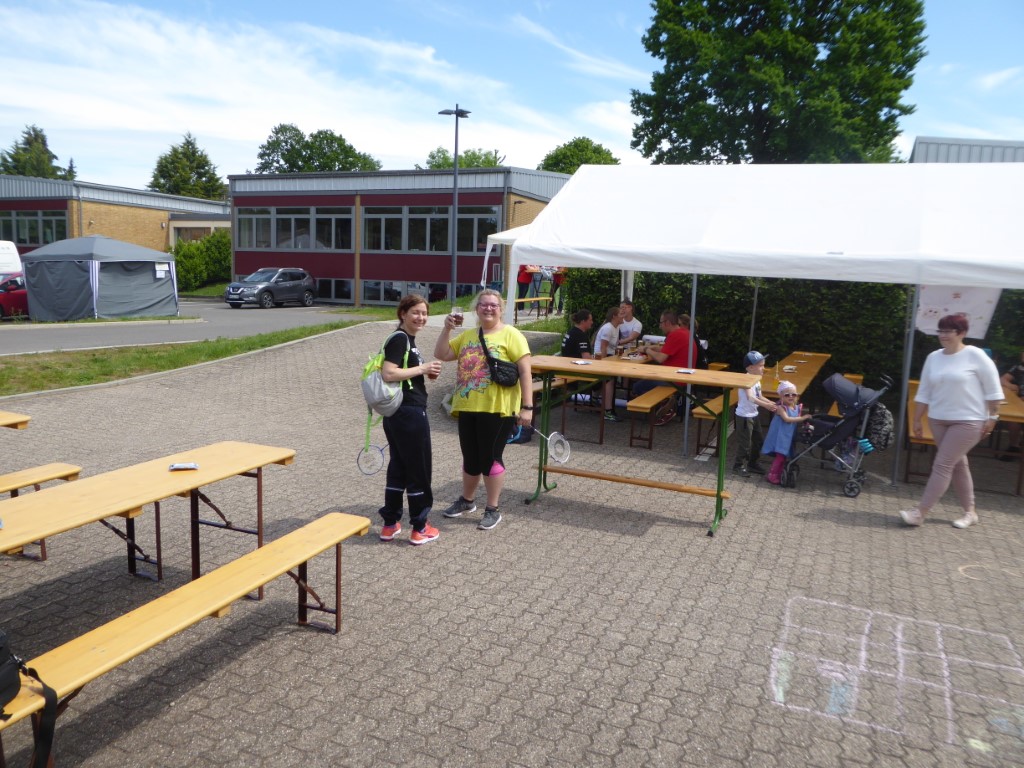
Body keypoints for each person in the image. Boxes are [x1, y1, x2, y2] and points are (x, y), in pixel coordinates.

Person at [434, 288, 533, 531]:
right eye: (483, 304)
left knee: (490, 458)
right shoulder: (468, 335)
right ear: (476, 309)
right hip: (468, 406)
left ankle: (492, 508)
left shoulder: (512, 335)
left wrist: (527, 407)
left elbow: (525, 372)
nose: (488, 308)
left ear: (501, 309)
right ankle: (467, 501)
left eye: (493, 305)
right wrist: (446, 329)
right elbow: (442, 354)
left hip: (498, 408)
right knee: (470, 457)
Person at [900, 314, 1003, 529]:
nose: (943, 335)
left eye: (948, 331)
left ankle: (920, 512)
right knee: (957, 465)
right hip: (938, 419)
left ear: (962, 333)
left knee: (943, 464)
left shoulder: (975, 355)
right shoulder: (933, 357)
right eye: (940, 331)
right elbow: (924, 391)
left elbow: (993, 390)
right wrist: (917, 419)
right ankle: (970, 512)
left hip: (969, 421)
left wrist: (993, 418)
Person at [377, 294, 444, 545]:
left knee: (399, 466)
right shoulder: (400, 338)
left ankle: (390, 524)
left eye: (424, 313)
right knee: (419, 468)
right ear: (402, 313)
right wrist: (423, 368)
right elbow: (389, 373)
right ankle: (420, 526)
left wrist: (424, 373)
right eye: (415, 312)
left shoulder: (407, 340)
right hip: (409, 413)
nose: (421, 317)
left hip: (399, 413)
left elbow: (403, 372)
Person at [631, 310, 699, 397]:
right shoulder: (684, 332)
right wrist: (654, 347)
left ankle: (662, 404)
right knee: (648, 378)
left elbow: (660, 358)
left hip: (675, 380)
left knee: (637, 387)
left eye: (661, 323)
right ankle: (665, 403)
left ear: (667, 323)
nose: (660, 326)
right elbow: (668, 350)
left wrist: (646, 349)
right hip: (683, 377)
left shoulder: (675, 335)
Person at [733, 351, 778, 476]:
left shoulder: (757, 379)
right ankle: (738, 466)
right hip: (744, 416)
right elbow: (750, 397)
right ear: (751, 367)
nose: (764, 368)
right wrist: (766, 406)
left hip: (753, 414)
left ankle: (753, 463)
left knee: (758, 441)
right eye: (761, 366)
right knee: (745, 444)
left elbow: (759, 396)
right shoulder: (747, 379)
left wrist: (771, 403)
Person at [761, 380, 812, 484]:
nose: (791, 397)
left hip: (789, 436)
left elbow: (796, 419)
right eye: (787, 395)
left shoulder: (796, 407)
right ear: (781, 396)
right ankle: (772, 474)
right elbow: (787, 419)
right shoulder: (781, 408)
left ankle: (780, 473)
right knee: (780, 456)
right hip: (780, 437)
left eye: (793, 394)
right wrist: (803, 418)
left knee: (784, 457)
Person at [593, 306, 624, 422]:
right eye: (621, 314)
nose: (623, 316)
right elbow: (603, 348)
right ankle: (608, 411)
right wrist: (605, 365)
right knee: (609, 380)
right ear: (614, 316)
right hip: (601, 357)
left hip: (610, 356)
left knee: (611, 379)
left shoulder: (617, 327)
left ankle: (595, 398)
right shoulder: (608, 328)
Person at [999, 348, 1024, 458]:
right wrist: (1010, 385)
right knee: (1013, 418)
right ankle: (1014, 447)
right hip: (1020, 403)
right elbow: (1003, 379)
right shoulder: (1019, 367)